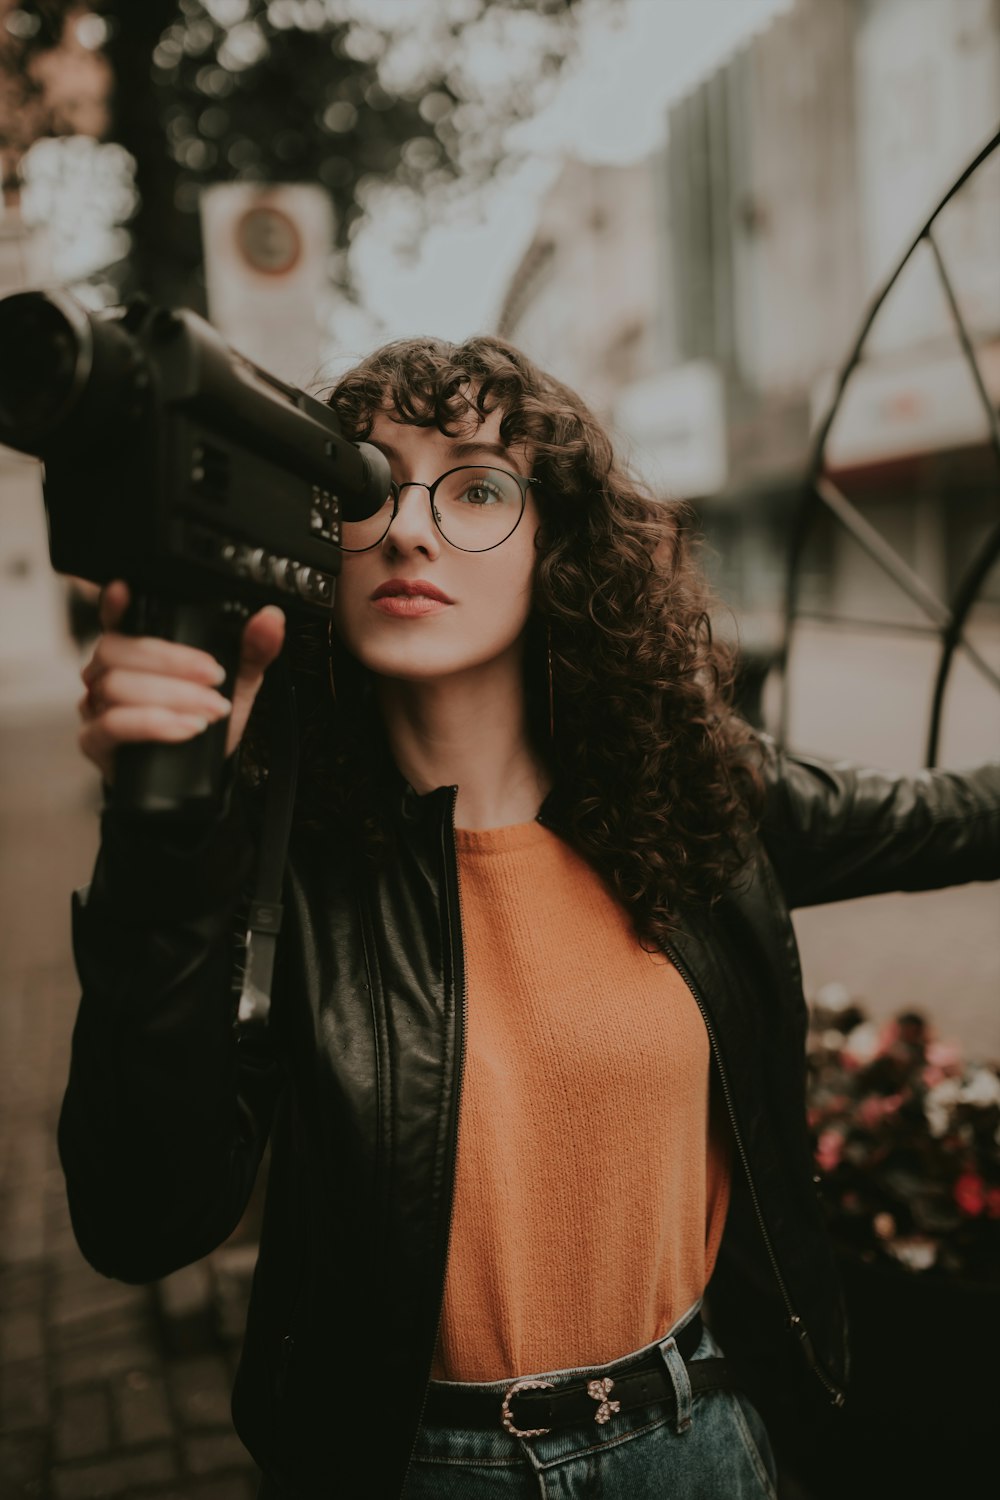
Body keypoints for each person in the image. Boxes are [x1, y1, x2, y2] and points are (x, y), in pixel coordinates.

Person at [62, 335, 1000, 1500]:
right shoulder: (265, 859)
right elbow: (141, 1216)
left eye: (476, 488)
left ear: (556, 544)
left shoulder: (694, 795)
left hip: (699, 1436)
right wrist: (163, 838)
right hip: (409, 1464)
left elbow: (956, 816)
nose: (409, 529)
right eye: (366, 487)